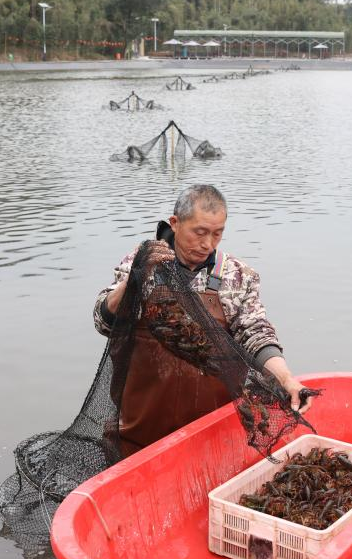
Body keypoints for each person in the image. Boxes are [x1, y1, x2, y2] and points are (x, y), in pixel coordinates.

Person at [93, 184, 312, 451]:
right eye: (200, 232)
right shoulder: (140, 262)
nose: (207, 244)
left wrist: (287, 379)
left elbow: (256, 334)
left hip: (211, 434)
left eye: (217, 234)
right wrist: (134, 280)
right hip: (138, 433)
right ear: (175, 223)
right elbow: (103, 322)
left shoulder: (237, 276)